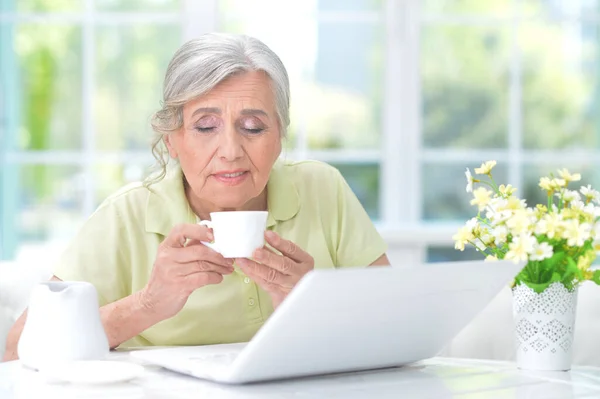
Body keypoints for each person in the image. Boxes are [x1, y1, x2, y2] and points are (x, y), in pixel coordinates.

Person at [2, 33, 389, 361]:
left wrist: (319, 306)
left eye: (253, 127)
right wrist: (149, 304)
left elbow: (394, 325)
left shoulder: (324, 189)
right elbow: (18, 351)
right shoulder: (127, 215)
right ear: (172, 139)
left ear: (280, 136)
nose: (231, 150)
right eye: (206, 127)